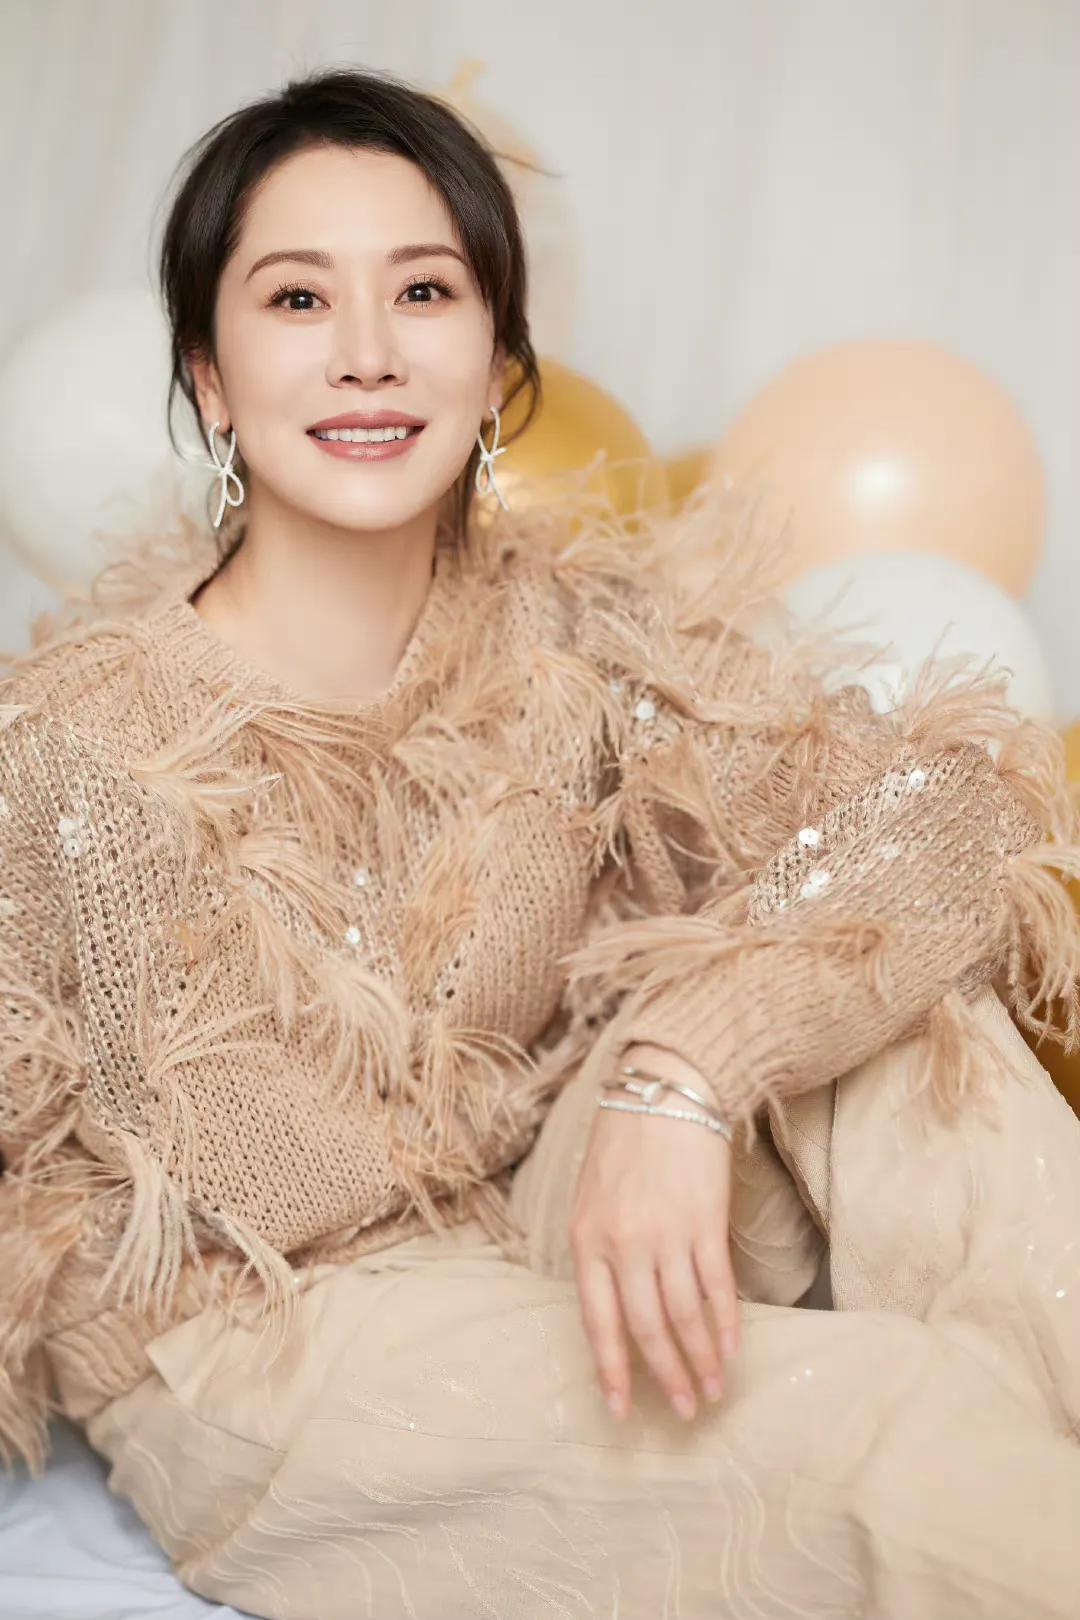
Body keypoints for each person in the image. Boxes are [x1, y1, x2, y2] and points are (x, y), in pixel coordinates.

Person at [3, 65, 1080, 1620]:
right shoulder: (72, 741)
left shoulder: (574, 631)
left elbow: (950, 815)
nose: (367, 352)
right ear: (212, 379)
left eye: (423, 291)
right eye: (297, 298)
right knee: (893, 1441)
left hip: (545, 1206)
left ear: (498, 356)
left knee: (913, 1028)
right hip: (280, 1337)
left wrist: (683, 1067)